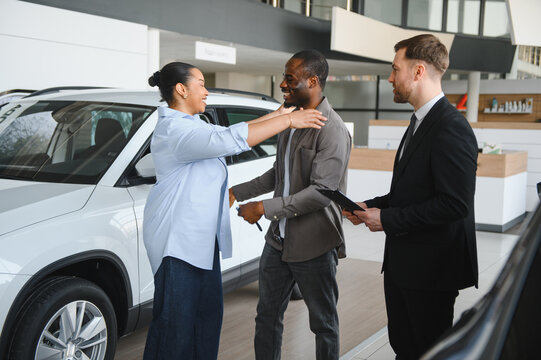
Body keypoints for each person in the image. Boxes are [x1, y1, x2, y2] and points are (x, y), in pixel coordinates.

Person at [142, 61, 327, 360]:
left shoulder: (193, 124)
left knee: (206, 320)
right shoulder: (173, 130)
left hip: (201, 241)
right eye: (201, 84)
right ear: (181, 89)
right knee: (174, 328)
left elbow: (231, 131)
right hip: (177, 243)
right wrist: (288, 122)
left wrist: (278, 114)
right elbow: (227, 141)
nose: (206, 91)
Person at [344, 34, 478, 360]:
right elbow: (410, 191)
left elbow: (454, 204)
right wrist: (372, 207)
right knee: (404, 348)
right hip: (405, 267)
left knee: (427, 352)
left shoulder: (450, 127)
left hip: (431, 273)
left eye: (395, 69)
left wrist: (386, 219)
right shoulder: (419, 122)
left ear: (418, 72)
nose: (390, 78)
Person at [230, 50, 352, 360]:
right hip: (277, 242)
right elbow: (277, 174)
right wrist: (236, 192)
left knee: (323, 325)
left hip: (314, 244)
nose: (283, 86)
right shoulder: (291, 120)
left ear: (313, 81)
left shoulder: (332, 130)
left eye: (290, 79)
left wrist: (264, 209)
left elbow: (322, 193)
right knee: (267, 317)